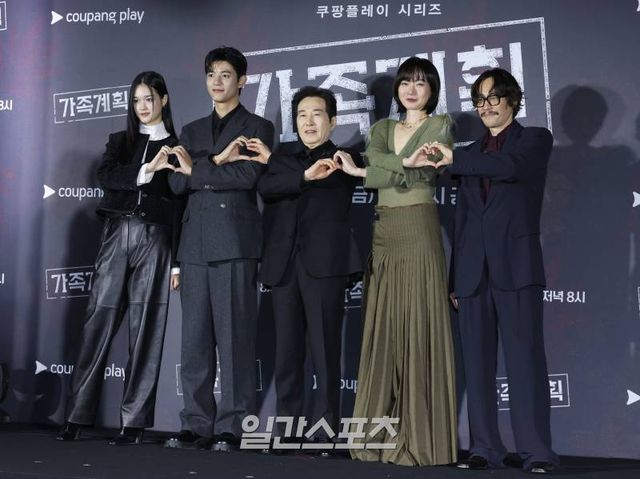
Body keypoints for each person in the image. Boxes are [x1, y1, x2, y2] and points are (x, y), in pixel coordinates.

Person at [427, 68, 558, 474]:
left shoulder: (533, 139)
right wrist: (454, 278)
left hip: (516, 267)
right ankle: (484, 447)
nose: (485, 107)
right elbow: (462, 220)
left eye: (493, 98)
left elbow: (510, 168)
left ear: (512, 101)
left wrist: (456, 158)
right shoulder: (469, 153)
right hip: (471, 273)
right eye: (479, 100)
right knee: (477, 365)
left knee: (525, 362)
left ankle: (537, 451)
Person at [337, 57, 457, 466]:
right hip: (384, 228)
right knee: (384, 327)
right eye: (406, 82)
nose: (411, 89)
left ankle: (420, 438)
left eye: (421, 83)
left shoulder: (441, 126)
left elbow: (417, 174)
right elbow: (382, 165)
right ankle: (374, 436)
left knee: (418, 324)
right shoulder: (381, 129)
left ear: (432, 90)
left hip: (420, 227)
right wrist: (401, 163)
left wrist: (371, 172)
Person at [56, 71, 182, 445]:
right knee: (98, 322)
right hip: (116, 234)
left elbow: (181, 204)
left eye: (149, 99)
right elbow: (106, 176)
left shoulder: (178, 146)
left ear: (164, 100)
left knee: (147, 329)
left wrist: (177, 262)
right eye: (137, 100)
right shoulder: (119, 142)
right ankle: (76, 416)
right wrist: (148, 169)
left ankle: (134, 422)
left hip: (157, 239)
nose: (143, 106)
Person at [164, 46, 274, 451]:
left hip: (234, 242)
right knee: (193, 343)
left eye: (226, 74)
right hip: (193, 245)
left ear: (242, 81)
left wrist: (199, 169)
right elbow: (175, 183)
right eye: (211, 74)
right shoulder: (191, 130)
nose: (217, 81)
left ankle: (233, 424)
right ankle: (196, 423)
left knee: (234, 341)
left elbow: (246, 176)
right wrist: (214, 163)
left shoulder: (258, 127)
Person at [256, 86, 362, 452]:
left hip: (325, 266)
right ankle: (288, 430)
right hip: (284, 266)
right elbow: (266, 187)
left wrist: (280, 162)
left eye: (317, 114)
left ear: (332, 121)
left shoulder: (345, 159)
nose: (309, 122)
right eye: (302, 115)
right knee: (287, 353)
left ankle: (325, 431)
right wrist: (303, 176)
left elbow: (356, 177)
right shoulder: (284, 158)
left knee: (325, 352)